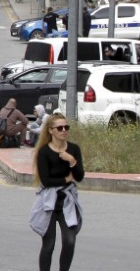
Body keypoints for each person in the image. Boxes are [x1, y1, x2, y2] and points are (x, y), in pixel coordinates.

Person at [31, 113, 84, 271]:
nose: (64, 130)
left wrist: (72, 161)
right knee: (49, 244)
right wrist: (66, 180)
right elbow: (46, 181)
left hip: (66, 201)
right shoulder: (44, 152)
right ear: (51, 131)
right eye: (59, 128)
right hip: (48, 201)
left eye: (66, 127)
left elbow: (79, 176)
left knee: (69, 241)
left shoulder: (73, 149)